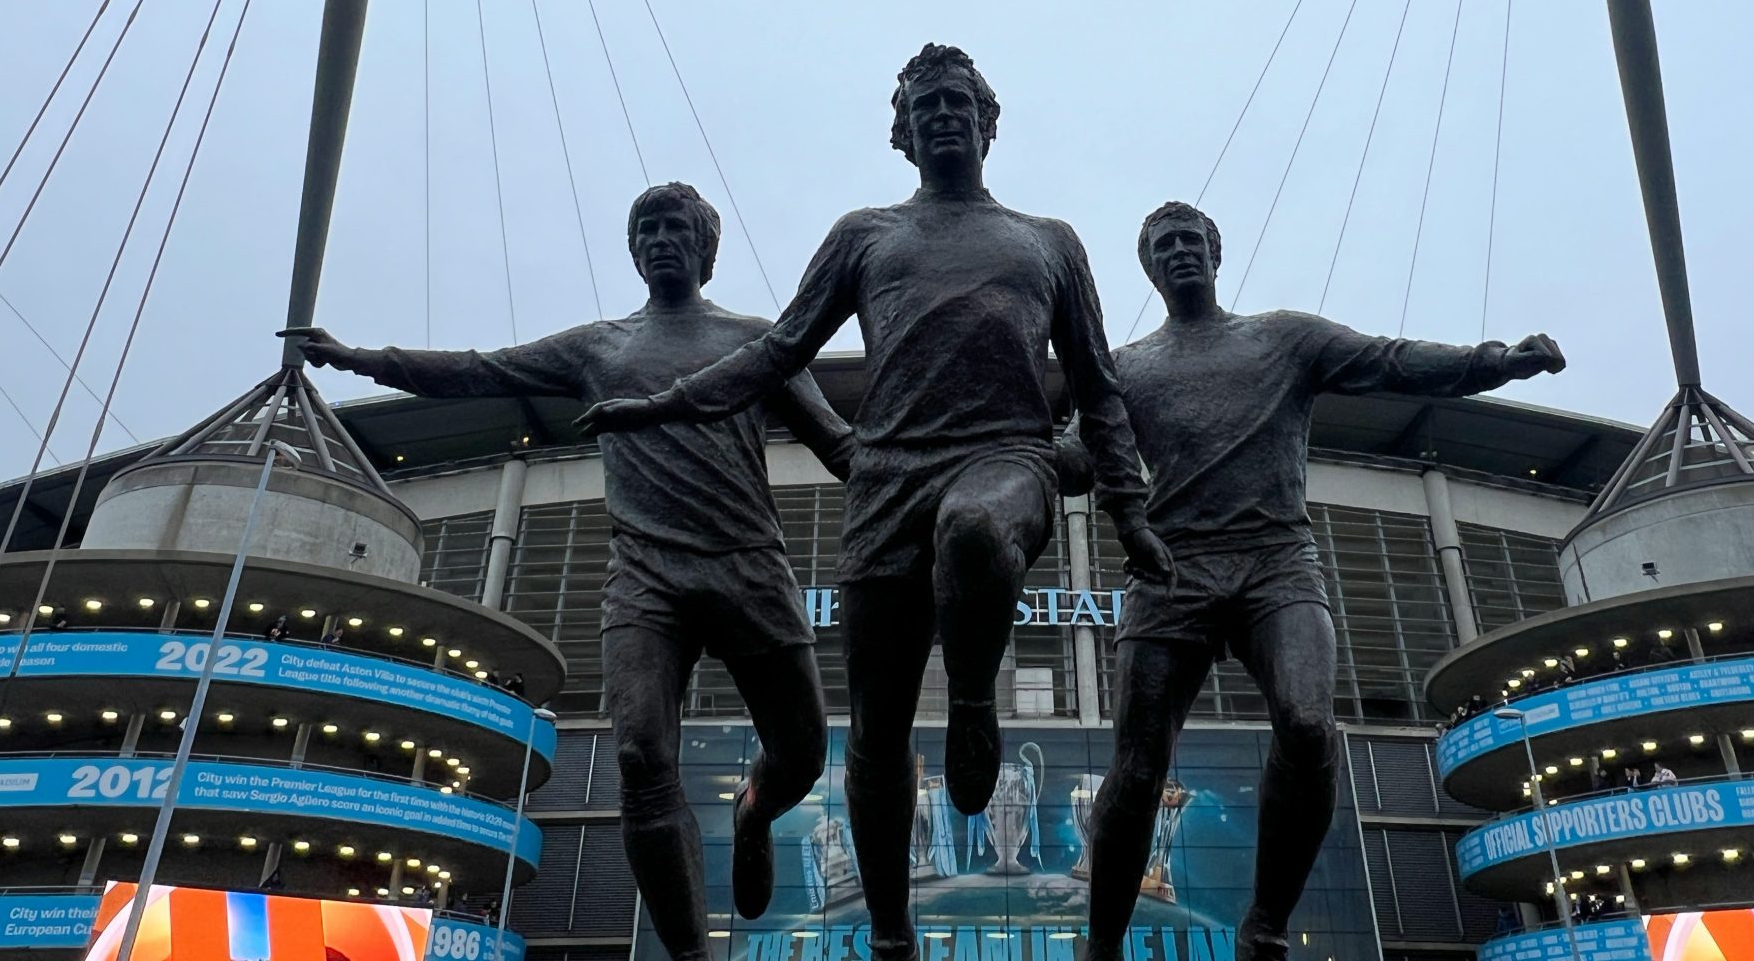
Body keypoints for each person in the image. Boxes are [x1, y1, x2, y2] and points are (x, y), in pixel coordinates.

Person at [577, 46, 1172, 961]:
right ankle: (893, 935)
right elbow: (776, 353)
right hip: (889, 479)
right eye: (925, 106)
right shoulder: (864, 236)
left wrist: (1128, 510)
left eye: (958, 102)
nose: (943, 115)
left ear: (987, 122)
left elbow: (1098, 387)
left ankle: (972, 699)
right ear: (903, 132)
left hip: (1005, 457)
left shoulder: (1048, 241)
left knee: (974, 531)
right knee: (877, 733)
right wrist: (667, 402)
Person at [287, 182, 856, 961]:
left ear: (706, 249)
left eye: (676, 228)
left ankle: (754, 811)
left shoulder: (757, 342)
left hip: (747, 569)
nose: (661, 240)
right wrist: (361, 359)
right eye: (647, 229)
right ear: (634, 251)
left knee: (803, 753)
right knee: (640, 757)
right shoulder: (599, 348)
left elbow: (837, 442)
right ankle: (691, 954)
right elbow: (480, 370)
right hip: (646, 579)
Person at [1077, 201, 1564, 961]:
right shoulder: (1129, 368)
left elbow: (1390, 360)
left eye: (1191, 240)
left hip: (1276, 561)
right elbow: (1081, 454)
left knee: (1308, 726)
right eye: (1164, 246)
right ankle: (1102, 945)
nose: (1179, 252)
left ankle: (1266, 925)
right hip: (1172, 569)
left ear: (1216, 253)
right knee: (1137, 769)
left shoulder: (1284, 338)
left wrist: (1491, 361)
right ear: (1149, 268)